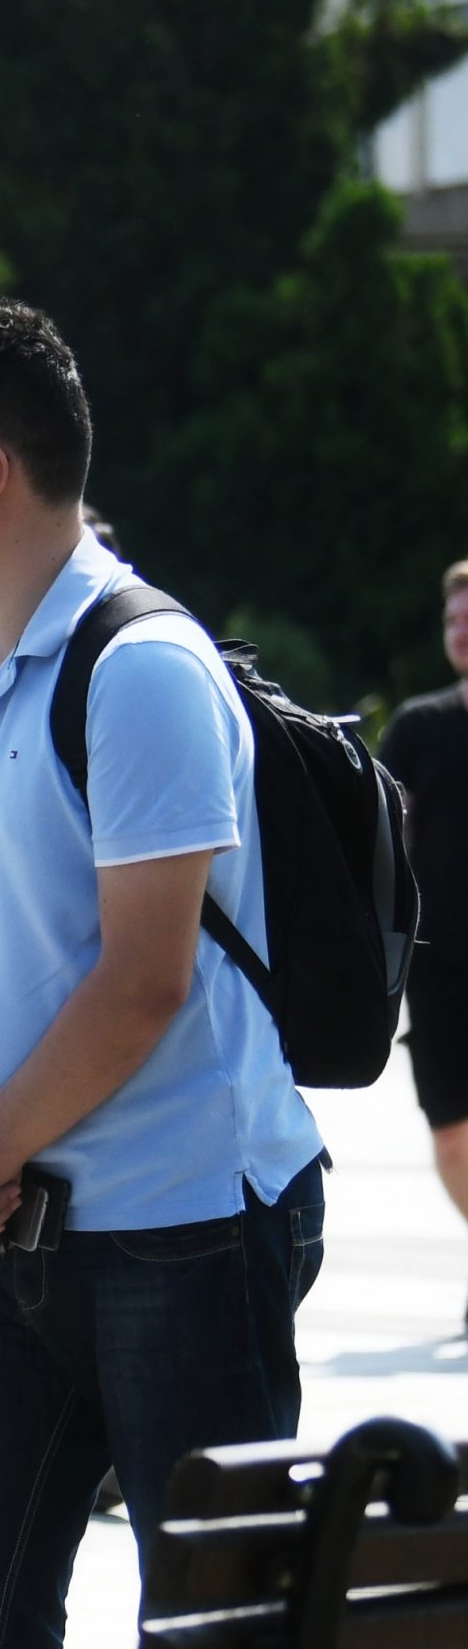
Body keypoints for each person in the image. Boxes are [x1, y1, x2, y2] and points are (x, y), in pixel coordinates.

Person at [0, 299, 326, 1649]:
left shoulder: (142, 670)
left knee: (220, 1630)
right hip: (7, 1225)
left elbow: (143, 984)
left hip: (183, 1228)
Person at [377, 559, 468, 1328]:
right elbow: (382, 846)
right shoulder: (418, 728)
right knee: (453, 1136)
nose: (461, 631)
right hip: (440, 970)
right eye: (453, 619)